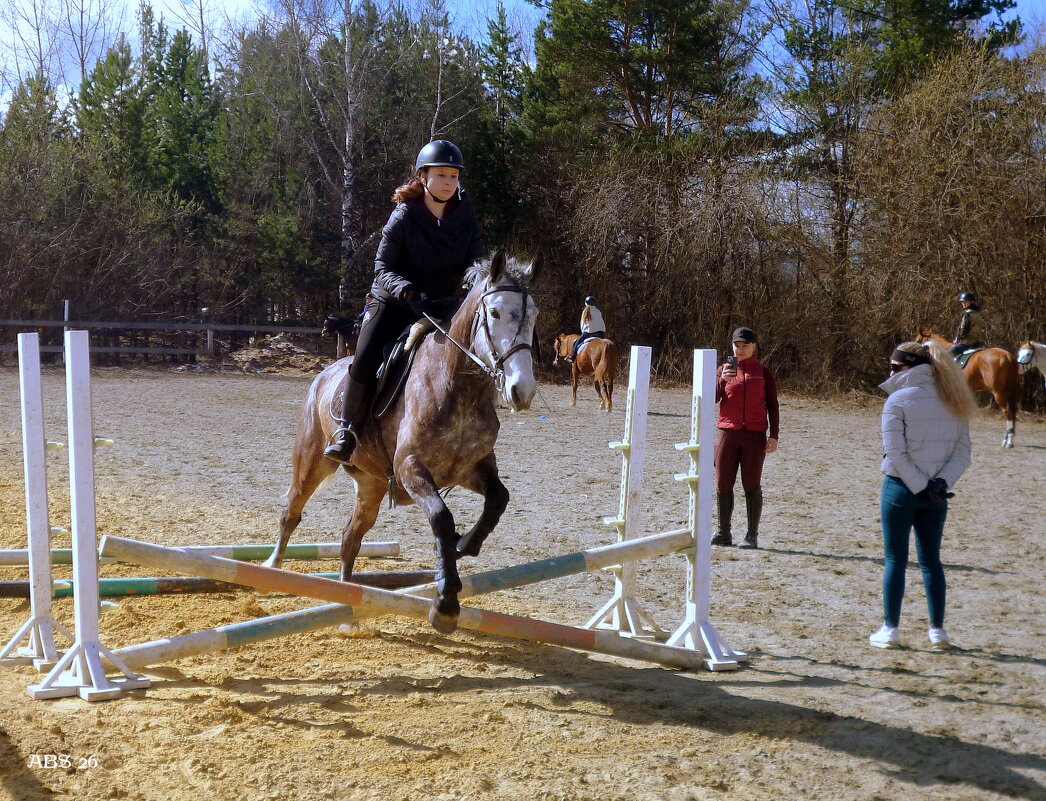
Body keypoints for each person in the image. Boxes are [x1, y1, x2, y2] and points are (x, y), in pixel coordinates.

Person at [323, 140, 485, 463]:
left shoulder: (466, 217)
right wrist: (408, 291)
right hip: (395, 302)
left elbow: (476, 263)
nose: (449, 183)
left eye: (454, 176)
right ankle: (346, 431)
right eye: (441, 175)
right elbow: (382, 267)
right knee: (366, 357)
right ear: (423, 176)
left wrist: (474, 283)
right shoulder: (403, 216)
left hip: (442, 304)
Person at [870, 339, 975, 650]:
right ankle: (938, 632)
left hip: (900, 489)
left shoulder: (897, 401)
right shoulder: (954, 399)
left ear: (908, 368)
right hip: (937, 494)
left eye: (894, 368)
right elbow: (963, 454)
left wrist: (920, 486)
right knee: (932, 561)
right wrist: (939, 484)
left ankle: (890, 630)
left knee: (894, 559)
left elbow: (896, 454)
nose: (889, 373)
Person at [711, 326, 779, 549]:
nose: (740, 350)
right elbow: (712, 397)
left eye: (744, 346)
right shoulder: (723, 369)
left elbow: (772, 404)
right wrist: (722, 380)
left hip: (754, 435)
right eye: (736, 346)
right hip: (727, 433)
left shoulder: (762, 371)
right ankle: (723, 532)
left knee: (751, 484)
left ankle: (751, 535)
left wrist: (774, 435)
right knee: (723, 482)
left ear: (754, 347)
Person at [568, 296, 606, 361]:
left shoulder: (585, 312)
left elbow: (582, 325)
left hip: (588, 334)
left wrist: (583, 331)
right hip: (600, 334)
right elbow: (601, 323)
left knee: (576, 342)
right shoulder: (598, 311)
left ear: (586, 303)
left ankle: (572, 357)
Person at [951, 292, 985, 358]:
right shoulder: (979, 313)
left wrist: (958, 339)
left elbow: (965, 328)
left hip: (967, 343)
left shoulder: (968, 314)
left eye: (965, 302)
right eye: (962, 302)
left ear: (971, 302)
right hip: (979, 343)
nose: (963, 304)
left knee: (949, 353)